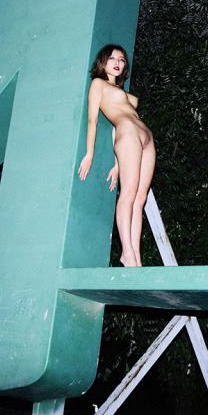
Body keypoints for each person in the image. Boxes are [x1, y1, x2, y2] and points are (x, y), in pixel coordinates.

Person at [77, 44, 155, 267]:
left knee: (140, 199)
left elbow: (112, 130)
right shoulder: (98, 84)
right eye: (112, 58)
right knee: (128, 193)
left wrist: (118, 163)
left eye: (121, 59)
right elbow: (93, 120)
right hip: (128, 133)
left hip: (146, 137)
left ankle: (136, 257)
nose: (118, 62)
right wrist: (90, 153)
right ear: (103, 62)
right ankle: (127, 252)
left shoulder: (119, 91)